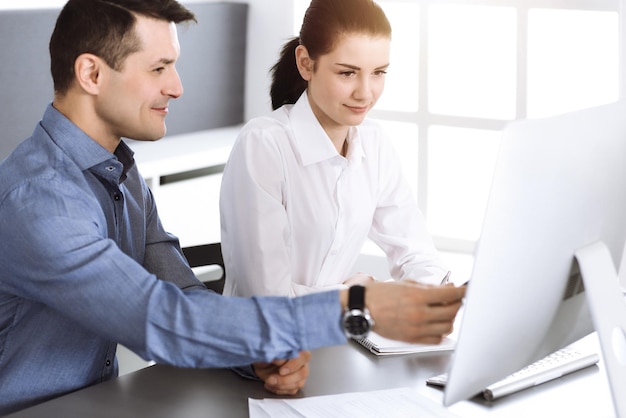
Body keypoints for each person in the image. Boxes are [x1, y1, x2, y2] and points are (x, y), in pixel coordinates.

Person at [0, 0, 466, 414]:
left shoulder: (121, 175)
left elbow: (184, 295)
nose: (178, 87)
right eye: (159, 68)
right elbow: (162, 320)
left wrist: (256, 355)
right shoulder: (42, 201)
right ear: (92, 74)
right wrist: (353, 307)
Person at [220, 0, 449, 298]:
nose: (365, 93)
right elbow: (269, 298)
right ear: (305, 63)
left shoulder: (373, 142)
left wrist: (428, 295)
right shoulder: (264, 144)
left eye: (378, 72)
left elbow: (417, 253)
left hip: (337, 333)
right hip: (263, 340)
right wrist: (353, 296)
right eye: (347, 73)